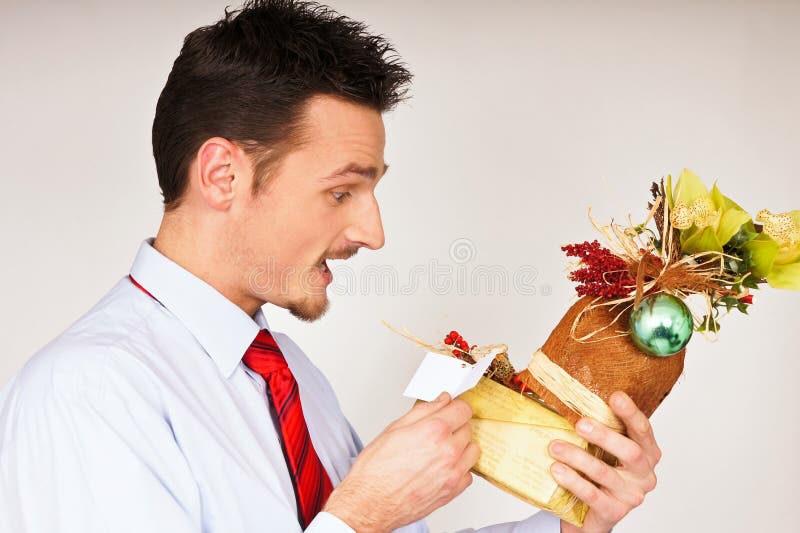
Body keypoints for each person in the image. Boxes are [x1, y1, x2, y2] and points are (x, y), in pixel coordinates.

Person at [0, 1, 660, 532]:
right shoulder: (87, 392)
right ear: (223, 174)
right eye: (343, 190)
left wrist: (577, 521)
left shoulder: (293, 378)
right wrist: (360, 518)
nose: (373, 233)